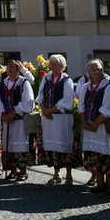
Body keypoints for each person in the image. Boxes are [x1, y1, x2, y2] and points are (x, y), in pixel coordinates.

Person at [78, 58, 110, 194]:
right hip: (92, 127)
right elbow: (81, 107)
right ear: (88, 71)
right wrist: (84, 123)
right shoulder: (85, 87)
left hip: (107, 127)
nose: (97, 71)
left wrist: (94, 125)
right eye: (93, 69)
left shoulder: (109, 85)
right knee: (95, 155)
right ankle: (100, 184)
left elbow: (107, 109)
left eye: (99, 68)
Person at [36, 54, 76, 186]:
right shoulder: (47, 78)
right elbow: (40, 95)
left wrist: (50, 110)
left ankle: (69, 174)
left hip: (61, 117)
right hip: (48, 117)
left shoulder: (67, 80)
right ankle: (56, 173)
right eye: (52, 64)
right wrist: (43, 109)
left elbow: (67, 100)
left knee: (65, 144)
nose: (53, 67)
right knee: (53, 145)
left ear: (62, 66)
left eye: (56, 64)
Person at [0, 59, 35, 181]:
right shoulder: (3, 83)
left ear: (18, 70)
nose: (10, 70)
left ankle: (23, 171)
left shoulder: (24, 83)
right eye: (8, 68)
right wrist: (2, 113)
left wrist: (14, 112)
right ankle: (12, 170)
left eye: (13, 68)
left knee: (20, 146)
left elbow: (29, 103)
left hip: (19, 120)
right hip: (7, 119)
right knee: (9, 146)